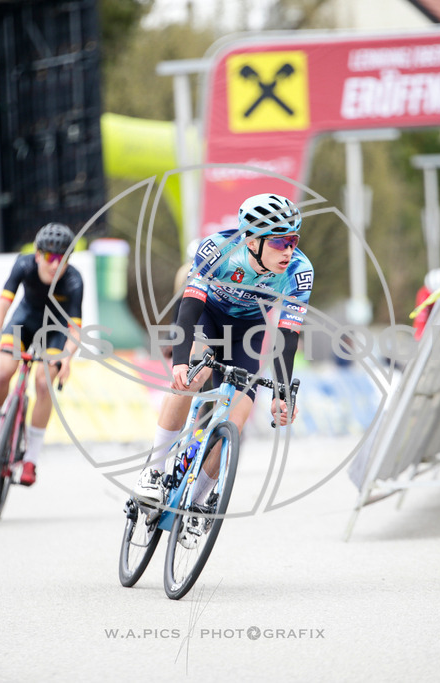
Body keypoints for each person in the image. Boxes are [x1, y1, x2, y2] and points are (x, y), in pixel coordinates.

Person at [133, 193, 313, 521]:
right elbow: (189, 307)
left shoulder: (299, 271)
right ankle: (153, 472)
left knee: (237, 419)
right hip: (207, 316)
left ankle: (196, 503)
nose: (288, 250)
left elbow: (287, 339)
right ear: (252, 240)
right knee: (193, 377)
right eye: (279, 242)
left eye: (293, 240)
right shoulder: (218, 249)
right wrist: (181, 362)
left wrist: (283, 395)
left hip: (248, 329)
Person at [0, 222, 83, 486]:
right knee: (2, 372)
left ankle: (31, 459)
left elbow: (76, 330)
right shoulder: (23, 266)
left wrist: (66, 357)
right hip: (25, 322)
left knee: (44, 383)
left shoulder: (74, 280)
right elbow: (3, 304)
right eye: (49, 257)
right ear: (37, 255)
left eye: (63, 258)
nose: (55, 265)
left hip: (54, 332)